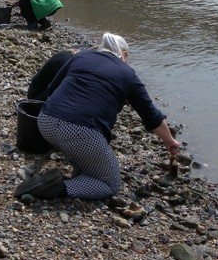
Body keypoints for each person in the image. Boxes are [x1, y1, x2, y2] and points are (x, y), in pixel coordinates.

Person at [14, 32, 181, 200]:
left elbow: (52, 88)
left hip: (46, 121)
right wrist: (170, 141)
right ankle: (53, 187)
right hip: (78, 131)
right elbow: (152, 117)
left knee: (82, 148)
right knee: (110, 184)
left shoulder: (82, 56)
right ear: (124, 54)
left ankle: (81, 171)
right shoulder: (128, 74)